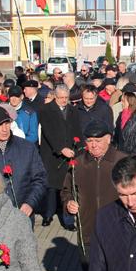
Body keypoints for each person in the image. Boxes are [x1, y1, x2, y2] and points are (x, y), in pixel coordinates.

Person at [60, 121, 124, 271]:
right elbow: (66, 190)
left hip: (117, 234)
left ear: (109, 138)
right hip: (86, 232)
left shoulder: (121, 161)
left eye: (98, 140)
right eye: (90, 141)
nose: (94, 145)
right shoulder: (78, 163)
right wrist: (69, 203)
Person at [0, 108, 47, 220]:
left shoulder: (27, 148)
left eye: (7, 123)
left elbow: (40, 179)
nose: (5, 129)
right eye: (0, 125)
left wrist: (30, 203)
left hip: (22, 216)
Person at [38, 87, 78, 226]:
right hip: (52, 155)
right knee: (51, 188)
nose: (64, 100)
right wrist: (61, 148)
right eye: (61, 98)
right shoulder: (45, 110)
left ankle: (68, 219)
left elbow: (76, 130)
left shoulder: (72, 110)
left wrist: (76, 148)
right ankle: (48, 215)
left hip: (70, 155)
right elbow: (49, 132)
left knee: (68, 188)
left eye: (66, 97)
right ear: (55, 96)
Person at [114, 89, 136, 154]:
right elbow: (116, 133)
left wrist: (135, 152)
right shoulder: (120, 115)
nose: (121, 103)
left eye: (123, 101)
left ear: (130, 102)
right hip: (120, 152)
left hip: (132, 153)